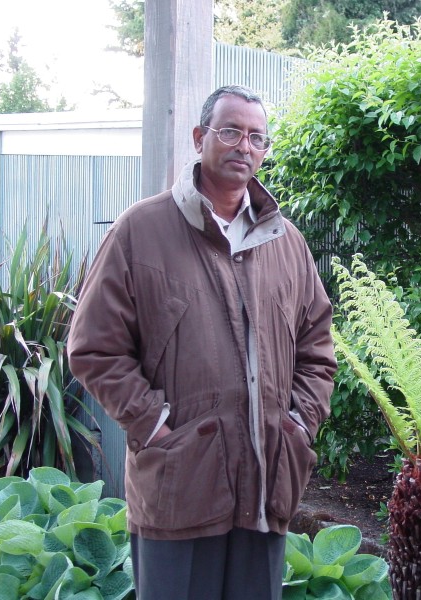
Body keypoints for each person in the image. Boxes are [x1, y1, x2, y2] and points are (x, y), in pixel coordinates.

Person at [67, 85, 336, 600]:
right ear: (199, 138)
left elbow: (317, 346)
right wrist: (155, 426)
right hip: (179, 485)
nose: (244, 146)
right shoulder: (140, 230)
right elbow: (93, 348)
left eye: (256, 137)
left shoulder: (286, 242)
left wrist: (298, 425)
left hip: (265, 485)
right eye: (230, 131)